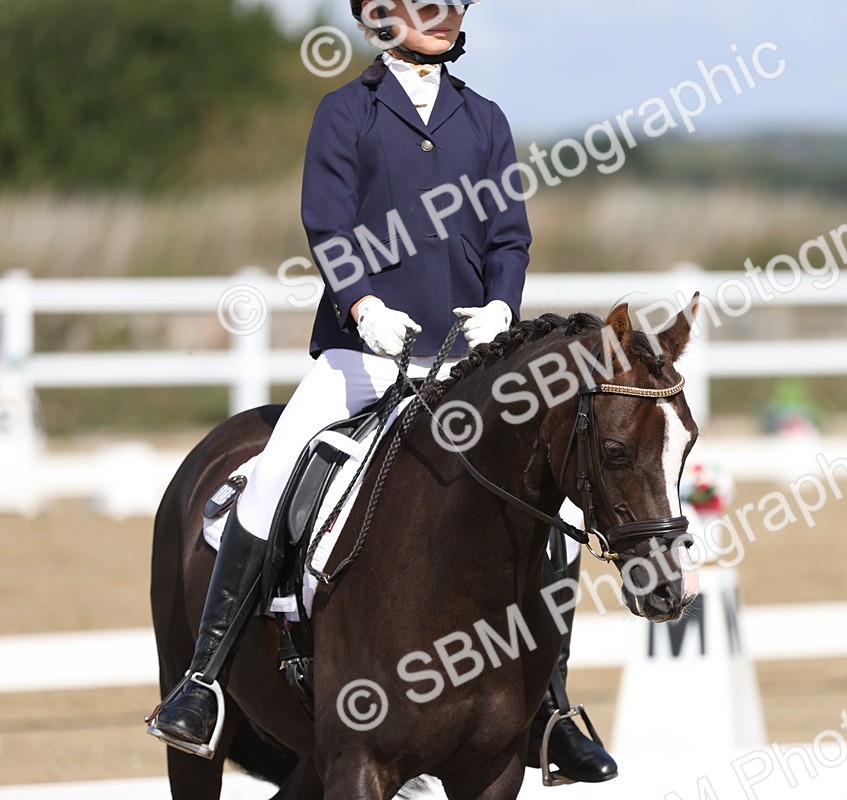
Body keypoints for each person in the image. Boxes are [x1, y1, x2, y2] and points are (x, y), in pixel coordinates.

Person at [146, 0, 617, 783]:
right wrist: (362, 308)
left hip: (464, 365)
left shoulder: (485, 119)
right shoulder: (347, 113)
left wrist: (502, 303)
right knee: (267, 484)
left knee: (555, 526)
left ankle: (552, 707)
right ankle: (203, 682)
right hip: (361, 361)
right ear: (376, 19)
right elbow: (328, 226)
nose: (439, 13)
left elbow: (510, 234)